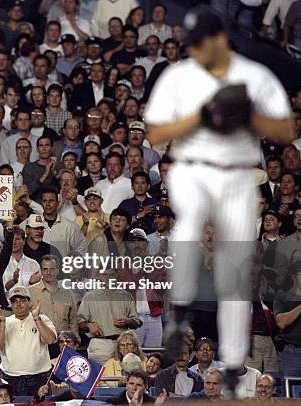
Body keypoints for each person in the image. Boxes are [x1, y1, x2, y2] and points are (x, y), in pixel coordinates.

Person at [144, 5, 294, 395]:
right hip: (193, 167)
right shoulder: (179, 75)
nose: (193, 50)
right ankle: (177, 312)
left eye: (200, 43)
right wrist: (201, 115)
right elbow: (155, 132)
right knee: (190, 224)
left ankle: (232, 361)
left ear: (221, 39)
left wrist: (248, 114)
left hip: (239, 175)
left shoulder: (253, 75)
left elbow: (284, 128)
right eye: (189, 43)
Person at [0, 285, 57, 396]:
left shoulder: (42, 319)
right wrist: (2, 322)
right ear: (10, 304)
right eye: (14, 301)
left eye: (22, 300)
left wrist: (36, 318)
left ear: (29, 302)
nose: (18, 304)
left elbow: (50, 340)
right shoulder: (3, 322)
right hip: (10, 377)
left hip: (39, 378)